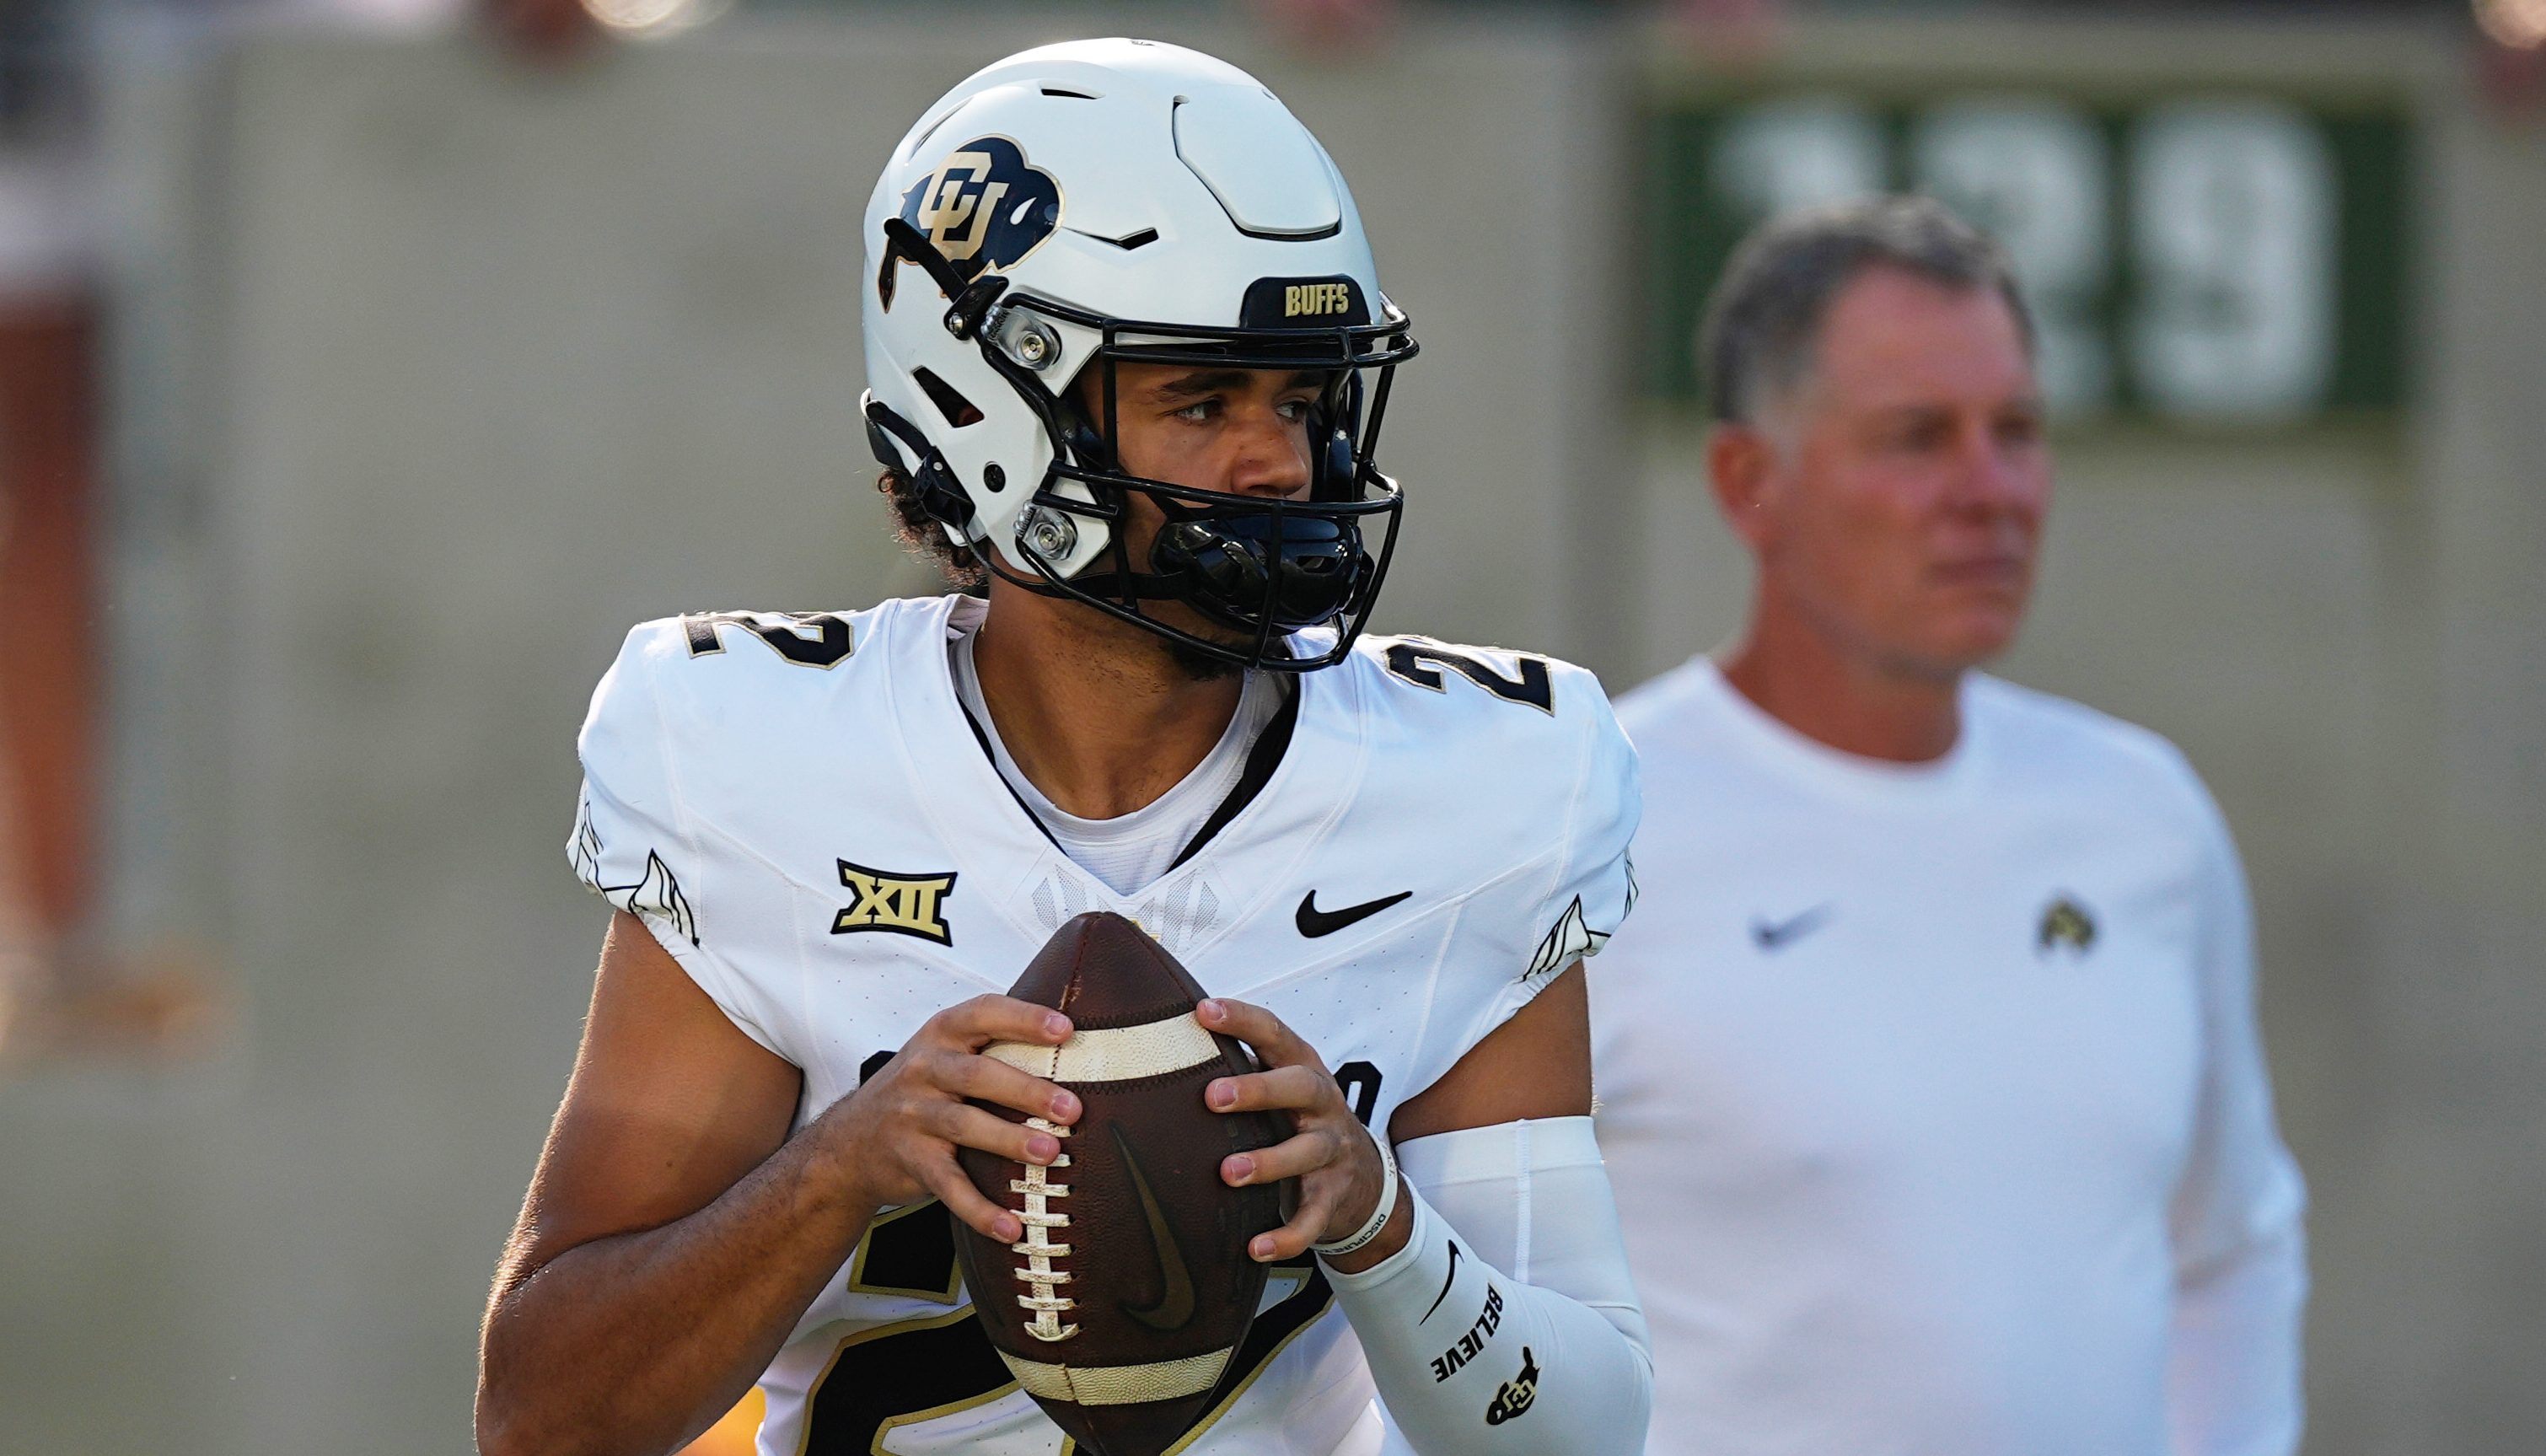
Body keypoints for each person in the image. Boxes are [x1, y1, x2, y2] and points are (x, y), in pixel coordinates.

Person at [475, 38, 1652, 1456]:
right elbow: (543, 1421)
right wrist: (837, 1167)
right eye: (1203, 402)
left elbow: (1577, 1437)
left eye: (1300, 400)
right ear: (991, 414)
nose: (1279, 465)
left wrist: (1385, 1231)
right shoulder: (761, 767)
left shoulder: (1480, 793)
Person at [1591, 196, 2307, 1456]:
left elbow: (2233, 1249)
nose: (1993, 491)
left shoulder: (2144, 815)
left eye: (2018, 431)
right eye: (1919, 438)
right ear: (1750, 482)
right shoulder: (1587, 827)